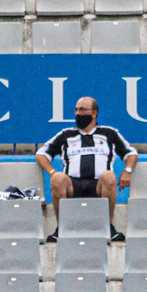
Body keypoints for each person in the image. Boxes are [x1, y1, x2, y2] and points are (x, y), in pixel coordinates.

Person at [36, 96, 136, 240]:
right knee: (58, 178)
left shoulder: (109, 133)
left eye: (82, 110)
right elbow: (41, 154)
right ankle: (62, 228)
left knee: (109, 176)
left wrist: (127, 171)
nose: (78, 113)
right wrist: (52, 172)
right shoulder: (66, 134)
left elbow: (131, 153)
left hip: (99, 186)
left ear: (94, 113)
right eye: (76, 110)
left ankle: (108, 227)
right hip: (73, 185)